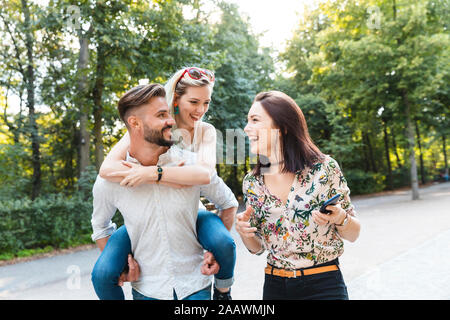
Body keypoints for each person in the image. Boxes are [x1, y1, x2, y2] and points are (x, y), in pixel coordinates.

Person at [92, 67, 236, 300]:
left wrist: (155, 174)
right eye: (194, 102)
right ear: (175, 100)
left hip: (191, 217)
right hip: (145, 253)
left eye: (206, 103)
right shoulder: (142, 126)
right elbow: (107, 169)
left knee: (222, 242)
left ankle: (224, 292)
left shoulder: (204, 131)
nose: (200, 110)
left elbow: (205, 175)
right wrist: (123, 267)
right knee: (103, 273)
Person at [236, 91, 361, 300]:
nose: (246, 128)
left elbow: (353, 234)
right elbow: (258, 249)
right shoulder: (252, 182)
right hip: (275, 286)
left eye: (255, 120)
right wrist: (245, 233)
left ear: (283, 127)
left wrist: (340, 217)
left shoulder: (324, 169)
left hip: (324, 284)